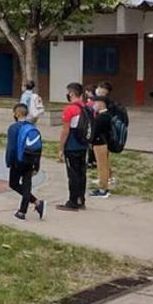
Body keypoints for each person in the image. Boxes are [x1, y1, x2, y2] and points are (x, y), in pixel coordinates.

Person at [5, 103, 46, 220]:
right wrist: (36, 166)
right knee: (27, 185)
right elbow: (38, 147)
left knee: (14, 184)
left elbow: (11, 147)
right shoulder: (32, 127)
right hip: (30, 160)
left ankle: (34, 203)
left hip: (18, 161)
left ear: (17, 114)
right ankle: (25, 209)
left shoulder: (13, 128)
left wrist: (9, 161)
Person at [57, 82, 89, 211]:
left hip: (72, 145)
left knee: (73, 174)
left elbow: (66, 130)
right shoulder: (86, 107)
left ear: (71, 93)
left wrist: (60, 147)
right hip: (83, 144)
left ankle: (73, 201)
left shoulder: (69, 108)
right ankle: (81, 199)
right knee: (82, 173)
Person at [89, 96, 112, 198]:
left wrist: (90, 142)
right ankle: (104, 186)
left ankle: (103, 189)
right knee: (105, 166)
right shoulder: (108, 115)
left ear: (102, 104)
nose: (94, 105)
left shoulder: (101, 117)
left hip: (99, 143)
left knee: (101, 167)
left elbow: (95, 132)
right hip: (105, 142)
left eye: (96, 102)